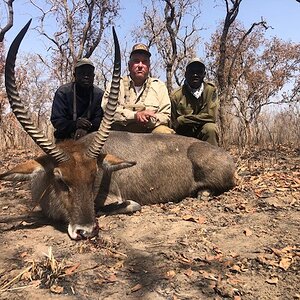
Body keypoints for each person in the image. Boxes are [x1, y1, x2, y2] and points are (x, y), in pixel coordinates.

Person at [102, 43, 174, 133]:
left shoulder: (159, 86)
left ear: (149, 66)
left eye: (144, 62)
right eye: (136, 61)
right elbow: (108, 111)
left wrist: (149, 119)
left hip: (148, 133)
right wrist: (135, 116)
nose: (140, 65)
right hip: (121, 134)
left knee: (164, 132)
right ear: (129, 65)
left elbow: (165, 116)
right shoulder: (115, 84)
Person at [51, 58, 104, 141]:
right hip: (66, 139)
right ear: (75, 75)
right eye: (82, 73)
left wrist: (87, 127)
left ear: (93, 76)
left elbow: (100, 119)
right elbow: (57, 120)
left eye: (89, 73)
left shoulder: (99, 94)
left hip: (91, 139)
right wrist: (75, 125)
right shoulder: (63, 92)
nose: (86, 76)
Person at [170, 58, 219, 146]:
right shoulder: (176, 95)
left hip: (202, 132)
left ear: (204, 74)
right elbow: (173, 123)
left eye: (199, 71)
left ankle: (212, 159)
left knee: (211, 128)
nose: (195, 74)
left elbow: (211, 117)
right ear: (185, 74)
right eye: (192, 71)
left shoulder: (211, 90)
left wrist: (183, 119)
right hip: (182, 135)